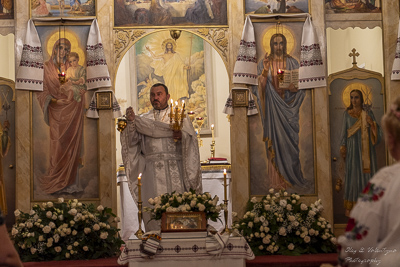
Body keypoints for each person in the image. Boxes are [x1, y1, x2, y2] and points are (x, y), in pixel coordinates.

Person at [120, 83, 202, 231]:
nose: (155, 98)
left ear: (168, 97)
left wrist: (182, 135)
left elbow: (191, 141)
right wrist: (131, 123)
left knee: (178, 209)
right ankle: (153, 239)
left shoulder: (180, 117)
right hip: (151, 173)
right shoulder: (144, 119)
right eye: (153, 95)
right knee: (152, 210)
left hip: (175, 169)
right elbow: (132, 143)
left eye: (159, 94)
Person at [337, 96, 400, 266]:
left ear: (391, 140)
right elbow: (344, 132)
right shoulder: (347, 114)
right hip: (353, 153)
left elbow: (354, 246)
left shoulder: (384, 181)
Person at [36, 38, 86, 194]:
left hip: (72, 112)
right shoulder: (46, 68)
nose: (63, 52)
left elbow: (80, 85)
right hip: (56, 112)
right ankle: (56, 180)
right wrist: (53, 100)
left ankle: (70, 184)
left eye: (66, 49)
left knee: (72, 145)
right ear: (55, 49)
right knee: (57, 146)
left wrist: (80, 93)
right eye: (61, 48)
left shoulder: (71, 67)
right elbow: (42, 91)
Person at [257, 33, 306, 189]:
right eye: (275, 43)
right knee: (274, 143)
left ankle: (292, 180)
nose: (278, 47)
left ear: (285, 45)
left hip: (289, 110)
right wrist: (265, 70)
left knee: (291, 145)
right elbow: (259, 89)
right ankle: (276, 182)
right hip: (272, 110)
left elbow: (302, 87)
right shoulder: (265, 63)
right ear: (271, 45)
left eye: (281, 43)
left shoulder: (292, 63)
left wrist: (295, 88)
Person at [339, 89, 382, 217]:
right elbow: (343, 132)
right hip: (353, 150)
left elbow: (378, 135)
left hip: (367, 151)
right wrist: (343, 146)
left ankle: (368, 207)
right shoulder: (347, 114)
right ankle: (352, 209)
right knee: (353, 177)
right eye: (352, 97)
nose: (354, 100)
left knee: (366, 177)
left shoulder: (368, 112)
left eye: (356, 97)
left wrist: (372, 124)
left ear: (361, 99)